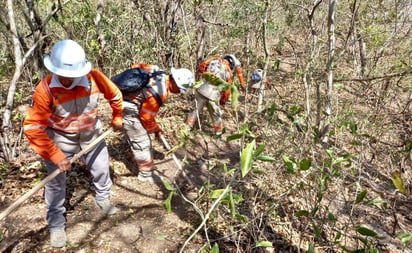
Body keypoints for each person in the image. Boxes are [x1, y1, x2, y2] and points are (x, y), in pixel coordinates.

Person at [23, 39, 123, 248]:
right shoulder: (46, 89)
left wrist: (117, 116)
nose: (68, 79)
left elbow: (114, 94)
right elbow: (32, 128)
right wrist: (55, 155)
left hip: (91, 134)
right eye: (63, 75)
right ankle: (57, 224)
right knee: (55, 182)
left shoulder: (94, 77)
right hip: (59, 138)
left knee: (101, 168)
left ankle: (103, 198)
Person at [119, 63, 194, 183]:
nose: (179, 92)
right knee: (142, 141)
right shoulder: (160, 92)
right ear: (174, 82)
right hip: (128, 107)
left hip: (123, 99)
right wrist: (156, 129)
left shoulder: (156, 70)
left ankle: (135, 158)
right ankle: (145, 174)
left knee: (139, 136)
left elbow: (135, 66)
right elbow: (146, 117)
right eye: (180, 89)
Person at [186, 56, 233, 136]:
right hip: (214, 95)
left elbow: (201, 69)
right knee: (216, 115)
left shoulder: (212, 61)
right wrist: (223, 100)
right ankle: (218, 133)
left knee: (194, 111)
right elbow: (227, 90)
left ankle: (187, 128)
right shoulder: (228, 71)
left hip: (202, 90)